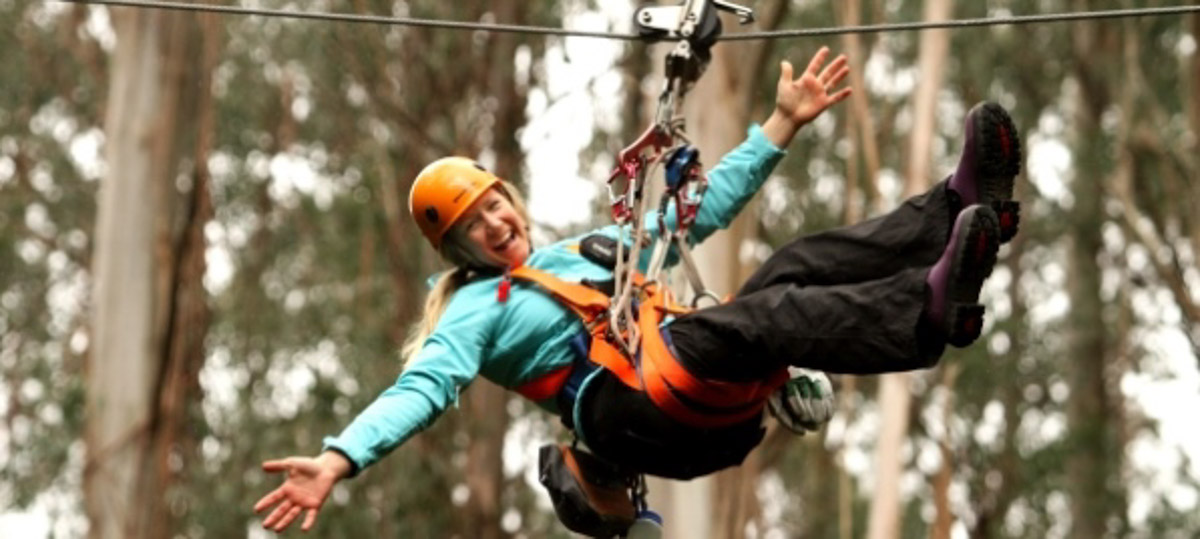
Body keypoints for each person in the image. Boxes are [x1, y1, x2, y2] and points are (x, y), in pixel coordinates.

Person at [253, 46, 1021, 533]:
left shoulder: (591, 251)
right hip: (637, 404)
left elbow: (701, 210)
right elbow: (419, 389)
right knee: (770, 314)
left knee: (791, 268)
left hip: (689, 381)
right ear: (455, 250)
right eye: (471, 226)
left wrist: (780, 125)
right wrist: (339, 458)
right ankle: (924, 315)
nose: (494, 224)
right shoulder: (471, 312)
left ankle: (956, 210)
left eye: (494, 204)